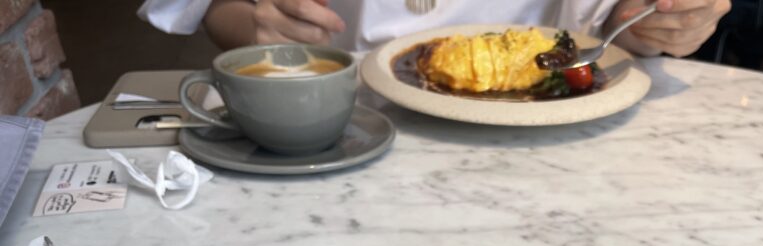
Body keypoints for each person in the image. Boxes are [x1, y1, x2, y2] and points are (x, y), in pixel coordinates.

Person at [138, 0, 730, 59]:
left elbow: (615, 22)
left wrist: (655, 24)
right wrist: (255, 24)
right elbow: (210, 10)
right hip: (348, 118)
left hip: (538, 125)